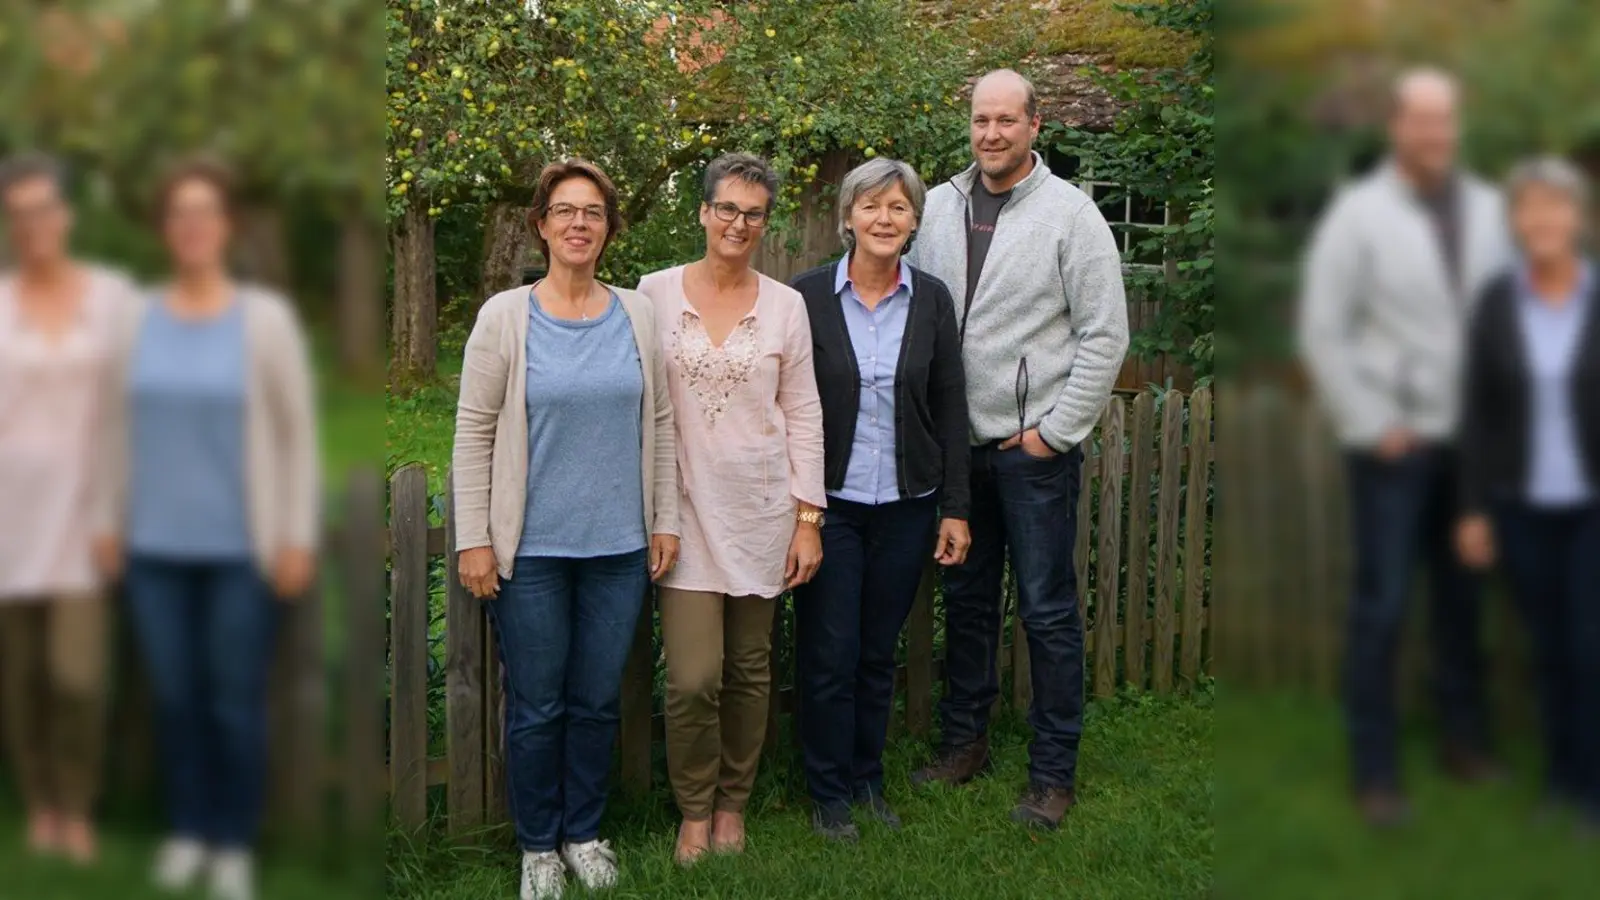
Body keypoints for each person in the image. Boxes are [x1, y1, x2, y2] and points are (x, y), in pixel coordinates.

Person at [904, 69, 1129, 830]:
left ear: (1036, 126)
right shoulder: (935, 206)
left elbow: (1105, 334)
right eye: (980, 120)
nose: (991, 133)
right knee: (966, 606)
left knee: (1046, 611)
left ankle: (1053, 772)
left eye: (1006, 120)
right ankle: (965, 743)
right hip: (956, 456)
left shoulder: (1073, 216)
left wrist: (1054, 434)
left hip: (1030, 454)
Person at [452, 158, 680, 900]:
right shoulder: (505, 317)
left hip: (618, 549)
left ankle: (585, 831)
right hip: (535, 553)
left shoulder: (637, 313)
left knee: (596, 701)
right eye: (565, 211)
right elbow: (473, 430)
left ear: (610, 229)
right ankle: (538, 846)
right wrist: (474, 537)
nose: (579, 224)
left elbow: (664, 424)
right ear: (542, 225)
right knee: (539, 705)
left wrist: (664, 522)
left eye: (593, 212)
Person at [96, 157, 319, 900]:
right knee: (174, 699)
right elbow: (109, 429)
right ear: (167, 229)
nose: (193, 226)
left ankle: (231, 842)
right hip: (153, 550)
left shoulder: (265, 322)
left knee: (232, 700)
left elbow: (296, 435)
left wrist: (294, 535)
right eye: (179, 214)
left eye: (206, 212)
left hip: (240, 553)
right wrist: (105, 521)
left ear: (226, 226)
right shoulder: (134, 318)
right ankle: (189, 828)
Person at [1297, 66, 1513, 826]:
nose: (1434, 135)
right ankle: (1376, 770)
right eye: (1421, 121)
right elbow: (1325, 327)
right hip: (1393, 443)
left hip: (1472, 443)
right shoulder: (1360, 214)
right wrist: (1369, 419)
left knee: (1461, 601)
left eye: (1445, 121)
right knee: (1383, 606)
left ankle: (1463, 741)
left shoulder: (1490, 210)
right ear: (1397, 127)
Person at [637, 152, 826, 865]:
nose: (738, 223)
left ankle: (731, 805)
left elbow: (803, 412)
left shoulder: (786, 305)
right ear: (703, 212)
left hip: (762, 512)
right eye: (727, 208)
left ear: (764, 222)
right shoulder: (651, 294)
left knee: (750, 670)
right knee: (692, 677)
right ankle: (692, 806)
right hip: (681, 514)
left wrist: (808, 519)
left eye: (753, 213)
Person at [788, 157, 970, 842]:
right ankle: (827, 791)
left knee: (876, 651)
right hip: (827, 506)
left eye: (898, 208)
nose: (884, 219)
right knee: (829, 651)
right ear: (848, 217)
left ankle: (867, 780)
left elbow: (951, 404)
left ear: (914, 220)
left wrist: (954, 507)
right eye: (871, 206)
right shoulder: (804, 298)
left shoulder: (930, 300)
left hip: (905, 503)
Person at [1456, 157, 1600, 835]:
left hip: (1591, 510)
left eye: (1557, 207)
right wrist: (1476, 509)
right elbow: (1478, 415)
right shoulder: (1496, 302)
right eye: (1531, 208)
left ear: (1579, 218)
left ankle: (1590, 788)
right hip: (1523, 507)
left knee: (1589, 646)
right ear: (1518, 222)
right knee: (1547, 648)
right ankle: (1562, 786)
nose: (1544, 221)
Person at [0, 152, 136, 864]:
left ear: (65, 215)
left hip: (85, 521)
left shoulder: (109, 298)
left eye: (43, 209)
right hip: (9, 525)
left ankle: (77, 802)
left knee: (78, 677)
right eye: (18, 213)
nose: (33, 225)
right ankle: (43, 804)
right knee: (21, 682)